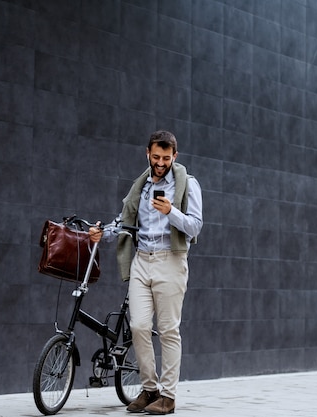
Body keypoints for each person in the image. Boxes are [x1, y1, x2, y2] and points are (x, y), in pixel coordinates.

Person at [89, 130, 203, 415]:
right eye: (156, 157)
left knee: (168, 330)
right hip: (142, 259)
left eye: (166, 158)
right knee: (139, 326)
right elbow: (125, 220)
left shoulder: (187, 184)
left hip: (171, 261)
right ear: (148, 154)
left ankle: (168, 395)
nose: (160, 162)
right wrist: (101, 234)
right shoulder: (139, 187)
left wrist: (171, 213)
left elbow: (195, 226)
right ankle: (149, 388)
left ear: (175, 156)